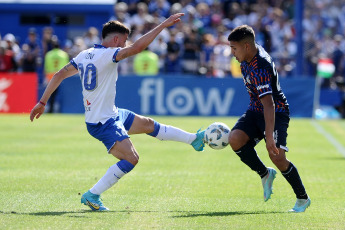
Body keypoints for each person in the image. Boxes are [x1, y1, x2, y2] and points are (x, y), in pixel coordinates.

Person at [30, 13, 205, 212]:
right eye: (123, 41)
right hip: (102, 122)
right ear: (115, 40)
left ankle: (194, 139)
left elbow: (60, 74)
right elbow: (138, 48)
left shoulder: (84, 55)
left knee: (148, 124)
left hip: (112, 114)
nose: (124, 45)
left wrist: (42, 102)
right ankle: (92, 194)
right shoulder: (108, 54)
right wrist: (163, 25)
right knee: (132, 158)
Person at [225, 25, 311, 212]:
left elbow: (269, 104)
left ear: (246, 46)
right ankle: (265, 174)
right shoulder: (247, 56)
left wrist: (269, 136)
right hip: (256, 109)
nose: (232, 53)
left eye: (234, 48)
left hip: (275, 111)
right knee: (235, 139)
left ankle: (302, 199)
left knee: (277, 156)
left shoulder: (261, 65)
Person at [44, 37, 69, 113]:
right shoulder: (64, 54)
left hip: (50, 76)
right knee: (61, 94)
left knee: (51, 94)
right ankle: (61, 110)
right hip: (61, 76)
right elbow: (67, 66)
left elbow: (46, 67)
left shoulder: (48, 54)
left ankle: (50, 109)